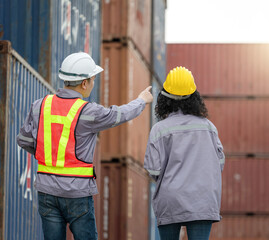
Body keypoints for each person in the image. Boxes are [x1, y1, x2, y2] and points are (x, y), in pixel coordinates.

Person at [16, 52, 153, 240]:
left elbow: (23, 139)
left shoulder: (40, 105)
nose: (93, 84)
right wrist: (141, 101)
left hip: (46, 190)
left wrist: (47, 153)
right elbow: (118, 115)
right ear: (84, 83)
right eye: (93, 79)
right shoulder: (88, 112)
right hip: (77, 193)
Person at [144, 66, 225, 240]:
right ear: (194, 96)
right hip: (203, 201)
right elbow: (220, 164)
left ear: (164, 98)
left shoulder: (159, 129)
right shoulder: (209, 127)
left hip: (170, 200)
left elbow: (154, 170)